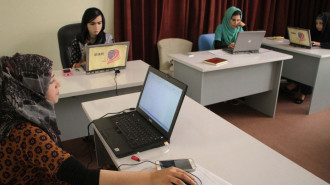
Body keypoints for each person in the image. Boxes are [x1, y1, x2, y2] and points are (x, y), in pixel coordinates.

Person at [0, 53, 196, 185]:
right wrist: (152, 178)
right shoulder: (27, 133)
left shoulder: (18, 113)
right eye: (51, 80)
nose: (58, 83)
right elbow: (81, 176)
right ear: (31, 91)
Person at [282, 12, 330, 104]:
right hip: (314, 55)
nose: (318, 26)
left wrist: (321, 44)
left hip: (324, 60)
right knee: (301, 63)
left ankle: (303, 93)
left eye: (321, 23)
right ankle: (295, 83)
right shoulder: (316, 31)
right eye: (316, 23)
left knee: (310, 68)